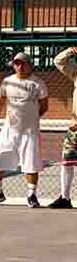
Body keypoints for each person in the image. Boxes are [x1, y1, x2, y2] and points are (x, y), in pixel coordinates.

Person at [0, 52, 48, 207]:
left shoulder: (38, 83)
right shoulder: (7, 82)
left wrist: (32, 119)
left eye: (22, 63)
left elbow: (44, 106)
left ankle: (32, 196)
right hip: (9, 129)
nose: (19, 66)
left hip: (29, 132)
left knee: (31, 163)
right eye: (16, 63)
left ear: (29, 65)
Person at [50, 46, 77, 209]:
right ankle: (65, 198)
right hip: (75, 127)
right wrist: (70, 51)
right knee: (67, 160)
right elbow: (58, 61)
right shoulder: (76, 73)